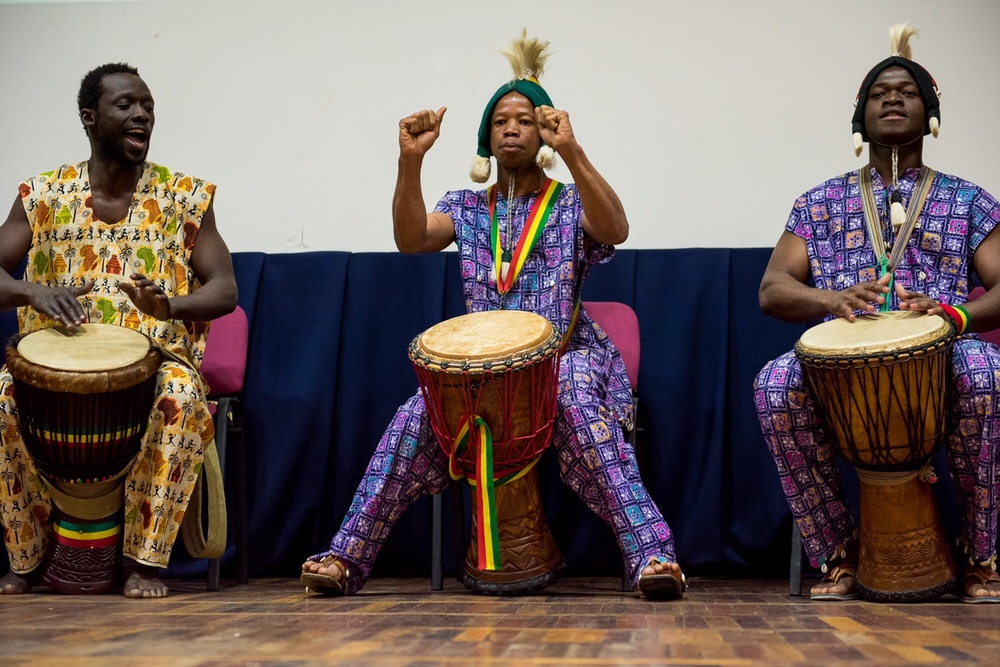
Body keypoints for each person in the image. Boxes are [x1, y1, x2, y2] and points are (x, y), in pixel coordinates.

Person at [301, 30, 685, 600]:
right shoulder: (464, 207)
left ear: (543, 132)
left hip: (566, 357)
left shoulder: (570, 200)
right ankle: (344, 557)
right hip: (483, 374)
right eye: (500, 121)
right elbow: (411, 239)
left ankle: (653, 553)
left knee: (578, 403)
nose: (511, 128)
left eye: (525, 120)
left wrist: (574, 152)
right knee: (413, 417)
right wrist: (410, 161)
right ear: (486, 137)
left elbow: (617, 229)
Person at [754, 25, 1000, 603]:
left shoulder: (968, 199)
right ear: (859, 117)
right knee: (774, 385)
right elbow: (772, 288)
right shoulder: (818, 202)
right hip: (841, 361)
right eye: (879, 93)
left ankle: (980, 555)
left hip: (942, 352)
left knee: (986, 374)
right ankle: (839, 552)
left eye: (907, 92)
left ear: (930, 113)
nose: (892, 99)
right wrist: (830, 300)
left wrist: (955, 316)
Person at [0, 63, 238, 598]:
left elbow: (225, 289)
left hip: (155, 362)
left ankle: (143, 564)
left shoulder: (184, 196)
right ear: (89, 117)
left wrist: (171, 306)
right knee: (2, 397)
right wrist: (32, 292)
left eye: (147, 106)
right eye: (126, 105)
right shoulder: (42, 195)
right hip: (53, 368)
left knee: (181, 396)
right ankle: (27, 558)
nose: (142, 115)